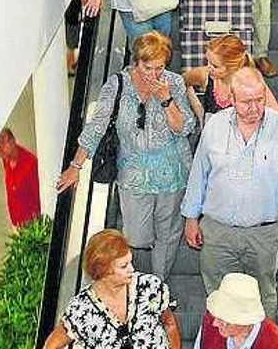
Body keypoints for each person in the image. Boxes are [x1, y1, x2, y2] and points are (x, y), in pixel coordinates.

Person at [181, 67, 278, 318]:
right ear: (231, 99)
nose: (255, 109)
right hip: (217, 232)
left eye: (260, 100)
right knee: (218, 297)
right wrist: (191, 218)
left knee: (263, 295)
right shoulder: (214, 127)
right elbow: (199, 174)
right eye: (246, 102)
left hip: (264, 234)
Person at [57, 33, 196, 284]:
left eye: (160, 67)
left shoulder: (173, 83)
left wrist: (166, 99)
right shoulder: (117, 85)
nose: (153, 74)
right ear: (136, 61)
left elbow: (184, 127)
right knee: (137, 238)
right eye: (147, 67)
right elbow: (97, 126)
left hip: (173, 174)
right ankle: (140, 284)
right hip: (133, 176)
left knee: (169, 233)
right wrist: (75, 166)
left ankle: (158, 288)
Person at [43, 229, 181, 349]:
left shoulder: (150, 287)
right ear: (102, 271)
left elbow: (170, 324)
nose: (131, 269)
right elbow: (52, 345)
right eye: (124, 266)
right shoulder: (81, 309)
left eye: (130, 262)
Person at [184, 34, 278, 122]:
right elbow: (180, 82)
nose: (209, 68)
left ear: (232, 67)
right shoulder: (204, 75)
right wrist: (199, 110)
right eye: (208, 62)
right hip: (211, 140)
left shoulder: (251, 82)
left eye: (215, 66)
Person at [197, 273, 278, 349]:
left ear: (244, 321)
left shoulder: (274, 341)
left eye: (224, 319)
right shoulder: (209, 325)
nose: (215, 323)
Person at [0, 126, 41, 228]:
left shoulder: (30, 164)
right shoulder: (6, 160)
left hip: (32, 226)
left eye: (2, 143)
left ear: (13, 141)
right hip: (18, 225)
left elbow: (39, 197)